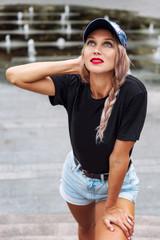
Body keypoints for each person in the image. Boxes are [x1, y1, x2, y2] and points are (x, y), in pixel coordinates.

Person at [6, 18, 147, 240]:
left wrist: (111, 208)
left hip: (116, 183)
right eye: (91, 43)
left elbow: (120, 158)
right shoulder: (74, 83)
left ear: (120, 54)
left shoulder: (133, 92)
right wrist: (73, 65)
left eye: (107, 44)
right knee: (86, 229)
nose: (97, 50)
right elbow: (14, 75)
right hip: (77, 177)